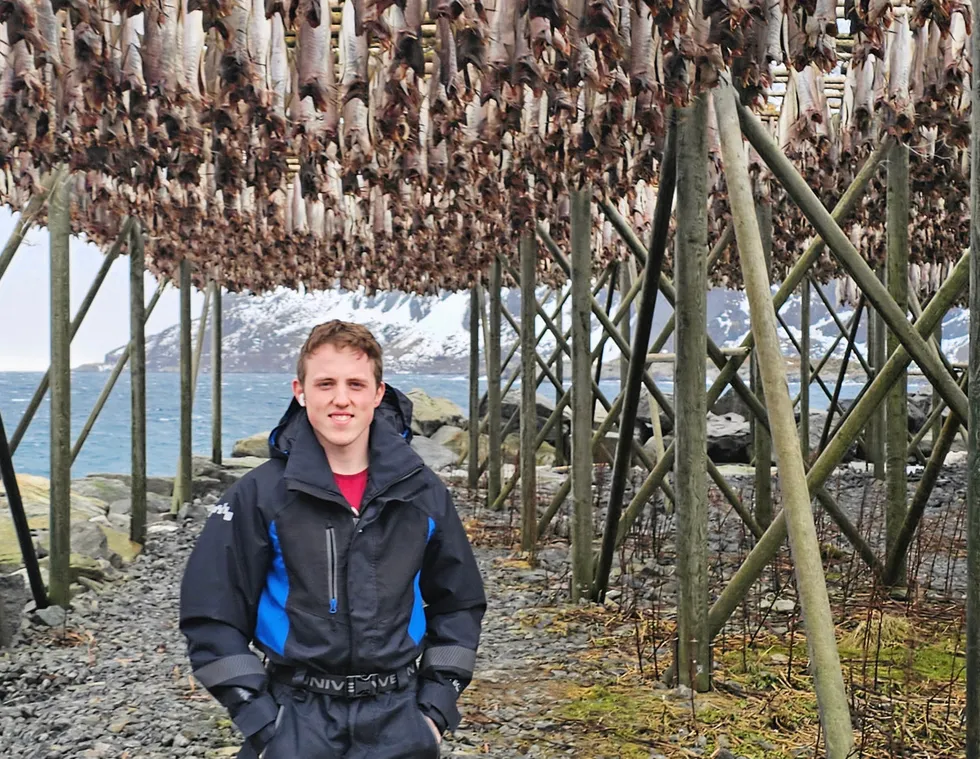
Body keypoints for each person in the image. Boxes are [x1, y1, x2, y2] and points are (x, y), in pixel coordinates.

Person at [178, 320, 487, 758]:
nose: (341, 398)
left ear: (378, 394)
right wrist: (263, 723)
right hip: (294, 720)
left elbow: (459, 604)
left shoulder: (422, 492)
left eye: (356, 384)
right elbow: (210, 617)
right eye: (325, 383)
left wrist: (433, 713)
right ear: (300, 391)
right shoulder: (261, 495)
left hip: (399, 719)